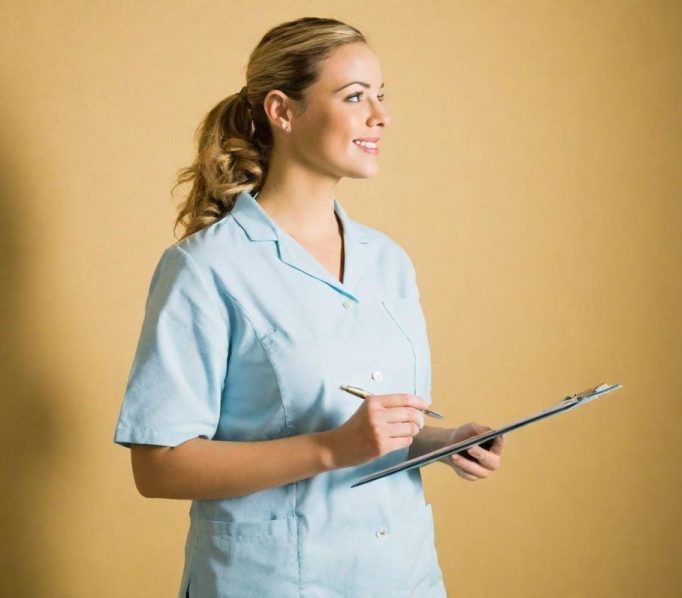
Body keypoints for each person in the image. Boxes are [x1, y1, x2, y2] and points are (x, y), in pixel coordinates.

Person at [113, 16, 505, 598]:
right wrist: (331, 448)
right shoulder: (207, 268)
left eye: (380, 95)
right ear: (283, 111)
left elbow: (370, 429)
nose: (381, 115)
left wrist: (436, 443)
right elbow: (159, 465)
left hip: (402, 577)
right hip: (272, 583)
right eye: (354, 96)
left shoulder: (389, 261)